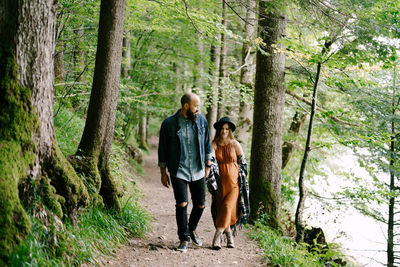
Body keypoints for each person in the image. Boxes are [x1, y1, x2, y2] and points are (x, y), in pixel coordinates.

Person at [158, 92, 212, 252]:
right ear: (186, 106)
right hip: (178, 169)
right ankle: (184, 238)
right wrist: (163, 171)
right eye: (196, 106)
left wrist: (208, 165)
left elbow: (207, 142)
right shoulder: (169, 123)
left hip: (198, 169)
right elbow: (163, 149)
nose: (198, 109)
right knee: (182, 203)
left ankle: (191, 228)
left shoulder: (201, 120)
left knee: (201, 204)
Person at [210, 117, 249, 250]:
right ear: (218, 130)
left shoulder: (234, 144)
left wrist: (243, 181)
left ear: (230, 130)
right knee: (223, 209)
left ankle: (217, 235)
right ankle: (229, 236)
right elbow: (210, 161)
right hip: (220, 184)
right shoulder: (214, 144)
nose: (224, 131)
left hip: (234, 183)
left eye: (227, 129)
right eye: (222, 128)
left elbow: (243, 164)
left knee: (227, 206)